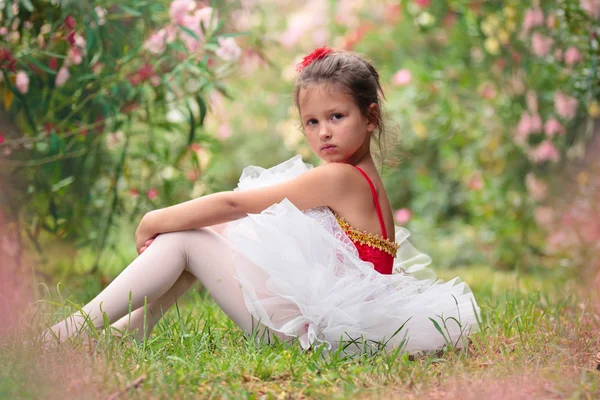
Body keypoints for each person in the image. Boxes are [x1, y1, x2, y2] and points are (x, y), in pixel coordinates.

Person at [44, 47, 480, 354]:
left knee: (183, 240)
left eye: (336, 117)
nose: (323, 132)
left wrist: (154, 218)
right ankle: (126, 335)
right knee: (208, 237)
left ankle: (65, 335)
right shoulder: (364, 178)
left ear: (370, 118)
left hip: (314, 335)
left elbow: (237, 204)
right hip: (331, 325)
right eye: (311, 122)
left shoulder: (341, 178)